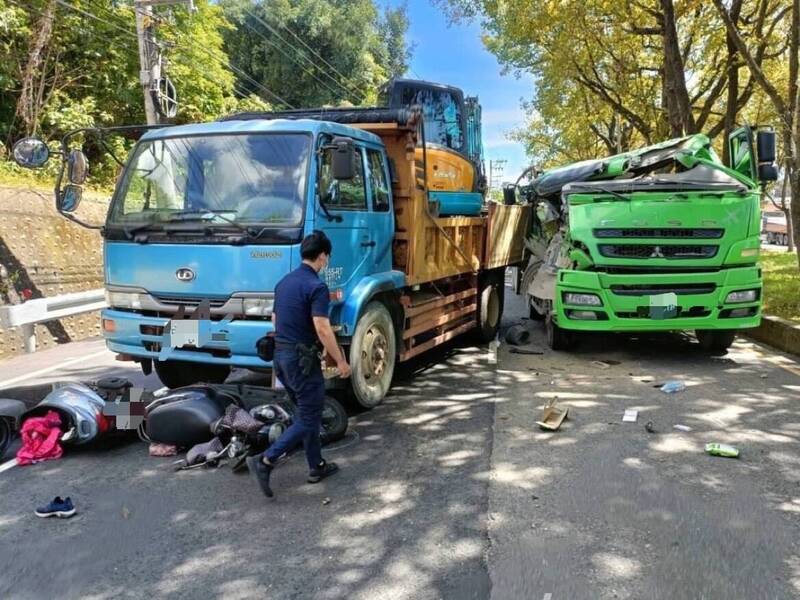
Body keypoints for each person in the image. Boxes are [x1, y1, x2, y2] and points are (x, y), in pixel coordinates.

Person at [247, 230, 351, 498]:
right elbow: (322, 328)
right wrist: (340, 360)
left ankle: (316, 465)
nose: (326, 261)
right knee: (309, 417)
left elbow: (274, 319)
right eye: (327, 257)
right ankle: (265, 461)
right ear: (322, 256)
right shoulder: (316, 287)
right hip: (301, 362)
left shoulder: (284, 283)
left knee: (305, 414)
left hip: (280, 358)